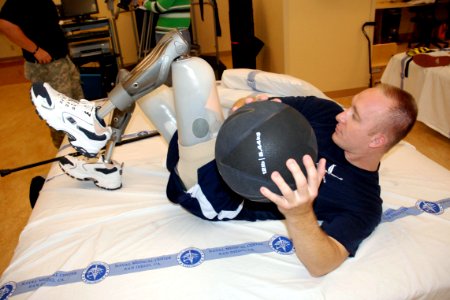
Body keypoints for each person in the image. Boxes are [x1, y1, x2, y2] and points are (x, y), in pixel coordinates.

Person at [29, 31, 418, 277]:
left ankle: (93, 118)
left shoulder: (363, 204)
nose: (341, 113)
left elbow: (323, 263)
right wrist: (252, 102)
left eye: (355, 116)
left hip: (215, 188)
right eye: (349, 106)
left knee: (192, 70)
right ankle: (101, 148)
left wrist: (299, 213)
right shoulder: (325, 113)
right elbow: (268, 104)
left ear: (377, 142)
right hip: (223, 144)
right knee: (142, 83)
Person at [0, 0, 84, 148]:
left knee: (77, 107)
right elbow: (5, 24)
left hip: (61, 60)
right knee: (60, 112)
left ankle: (83, 144)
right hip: (47, 67)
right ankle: (65, 151)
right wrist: (35, 50)